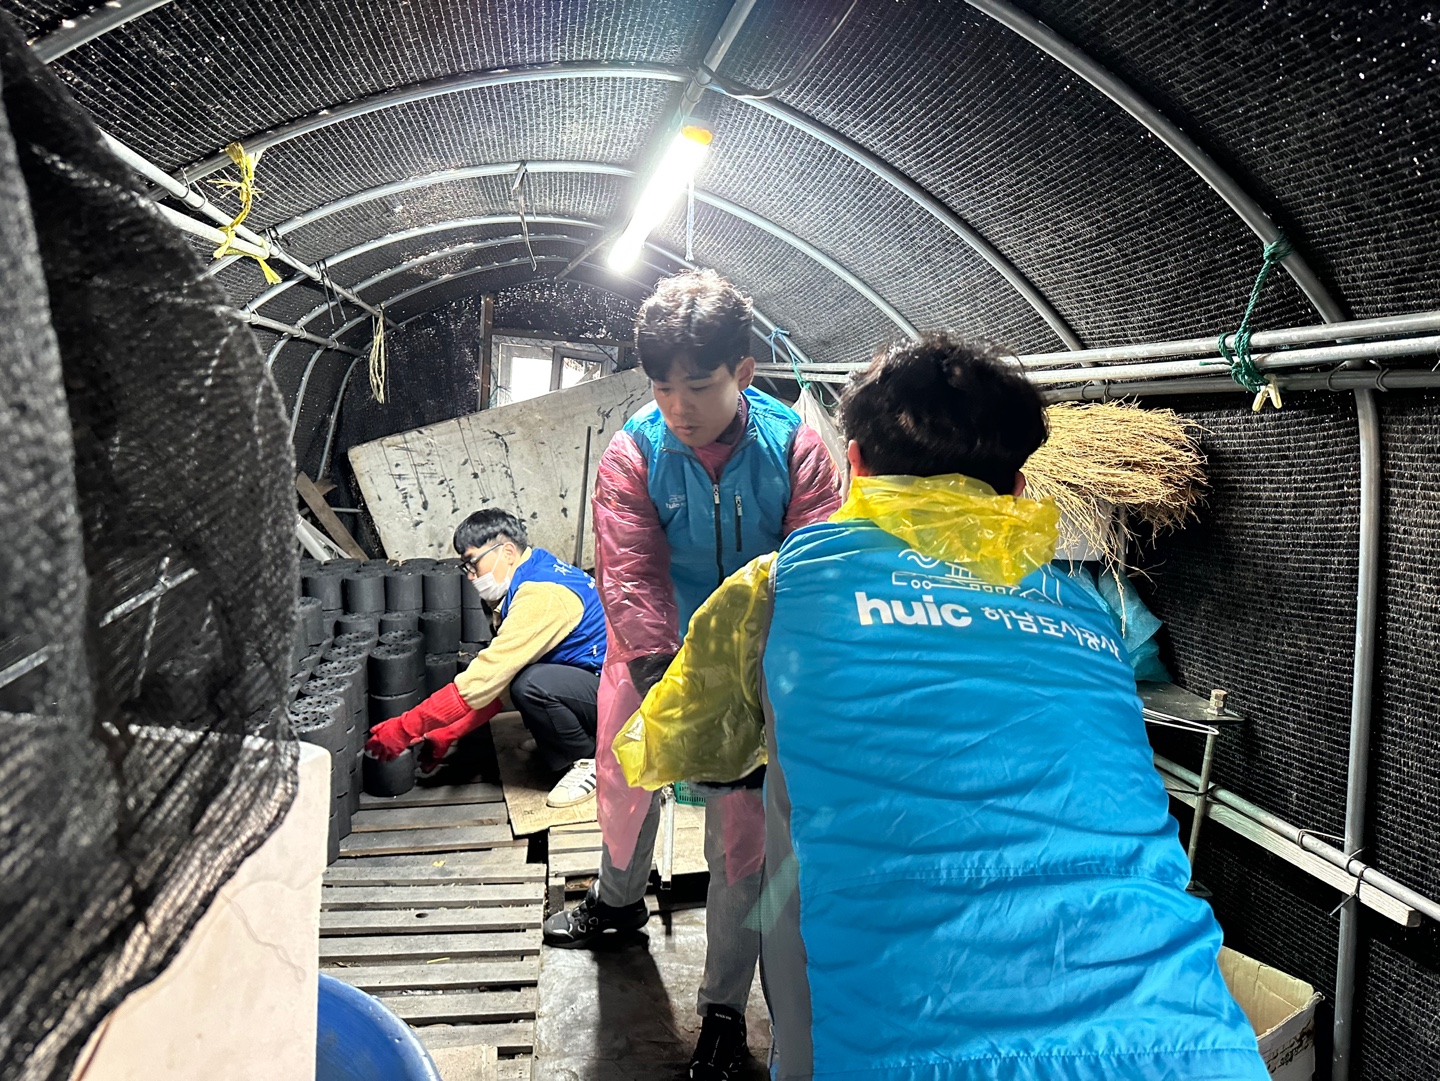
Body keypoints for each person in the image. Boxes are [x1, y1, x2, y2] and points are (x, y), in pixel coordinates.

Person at [614, 335, 1269, 1080]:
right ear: (1017, 485)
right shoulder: (1089, 610)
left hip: (891, 1033)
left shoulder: (781, 584)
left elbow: (687, 744)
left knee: (797, 903)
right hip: (1177, 1031)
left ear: (854, 465)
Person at [542, 270, 841, 1079]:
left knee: (742, 837)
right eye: (662, 386)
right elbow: (629, 572)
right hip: (652, 658)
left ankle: (722, 1010)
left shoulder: (796, 450)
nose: (679, 405)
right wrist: (667, 684)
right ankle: (616, 902)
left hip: (756, 671)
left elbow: (813, 567)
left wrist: (765, 691)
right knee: (624, 784)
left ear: (743, 371)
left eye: (699, 386)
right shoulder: (634, 452)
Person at [366, 509, 607, 808]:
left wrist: (405, 728)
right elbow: (502, 677)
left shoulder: (542, 596)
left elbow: (484, 678)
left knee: (532, 685)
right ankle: (564, 737)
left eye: (473, 562)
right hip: (596, 684)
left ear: (507, 552)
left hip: (622, 701)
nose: (470, 575)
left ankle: (587, 760)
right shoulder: (535, 567)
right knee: (524, 678)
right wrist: (451, 731)